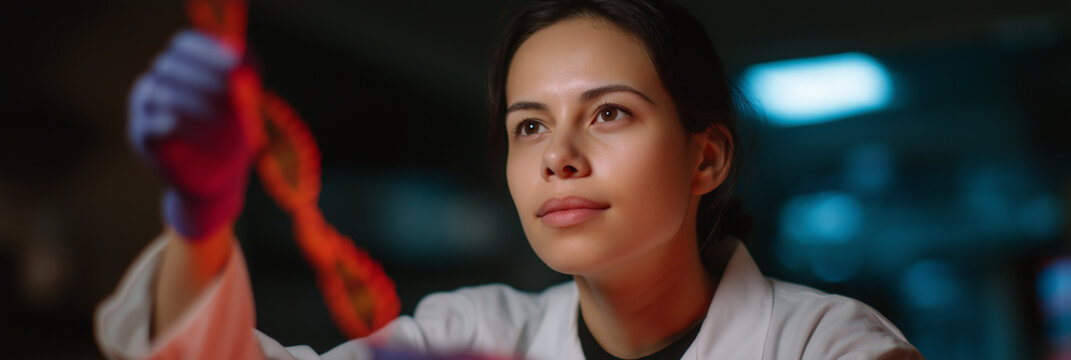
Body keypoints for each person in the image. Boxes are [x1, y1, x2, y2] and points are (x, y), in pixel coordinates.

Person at [95, 0, 924, 359]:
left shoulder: (827, 345)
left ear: (705, 157)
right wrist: (202, 209)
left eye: (607, 114)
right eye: (528, 125)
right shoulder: (473, 334)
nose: (556, 155)